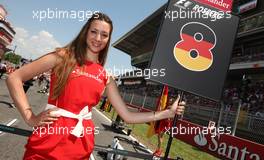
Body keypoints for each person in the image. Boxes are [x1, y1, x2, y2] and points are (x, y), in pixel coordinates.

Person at [6, 12, 186, 160]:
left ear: (108, 39)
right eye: (94, 32)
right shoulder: (62, 57)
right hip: (48, 142)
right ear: (85, 32)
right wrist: (30, 117)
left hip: (80, 145)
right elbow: (14, 78)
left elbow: (127, 116)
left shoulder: (105, 76)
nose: (98, 38)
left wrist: (167, 113)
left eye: (104, 35)